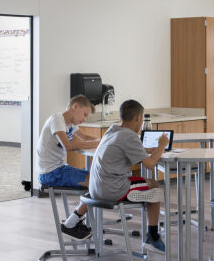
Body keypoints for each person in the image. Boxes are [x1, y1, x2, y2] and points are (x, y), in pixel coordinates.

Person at [84, 99, 170, 251]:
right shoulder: (129, 136)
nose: (141, 122)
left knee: (145, 185)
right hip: (112, 189)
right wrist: (162, 146)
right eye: (142, 119)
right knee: (155, 186)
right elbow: (150, 165)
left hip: (95, 188)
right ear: (138, 117)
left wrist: (147, 150)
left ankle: (148, 214)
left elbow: (127, 149)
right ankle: (153, 234)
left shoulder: (112, 131)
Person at [37, 95, 99, 238]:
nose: (84, 119)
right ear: (75, 106)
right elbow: (68, 146)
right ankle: (71, 223)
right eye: (84, 114)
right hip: (51, 173)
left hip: (60, 169)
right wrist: (99, 143)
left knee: (97, 179)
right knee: (97, 184)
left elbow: (86, 138)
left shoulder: (70, 124)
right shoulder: (57, 119)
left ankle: (76, 221)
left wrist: (104, 140)